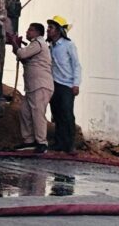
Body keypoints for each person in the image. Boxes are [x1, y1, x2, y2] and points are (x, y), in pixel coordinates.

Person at [9, 22, 54, 154]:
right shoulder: (34, 45)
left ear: (38, 33)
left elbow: (22, 54)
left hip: (40, 85)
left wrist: (14, 42)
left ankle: (42, 143)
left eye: (31, 30)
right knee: (25, 112)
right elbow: (24, 58)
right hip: (32, 87)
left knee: (37, 113)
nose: (28, 32)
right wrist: (15, 46)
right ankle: (28, 141)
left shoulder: (38, 43)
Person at [47, 15, 82, 154]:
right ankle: (59, 143)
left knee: (67, 114)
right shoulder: (50, 46)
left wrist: (76, 84)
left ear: (59, 30)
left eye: (51, 28)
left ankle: (70, 145)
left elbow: (77, 65)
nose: (48, 30)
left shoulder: (68, 45)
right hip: (54, 84)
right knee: (57, 114)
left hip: (67, 85)